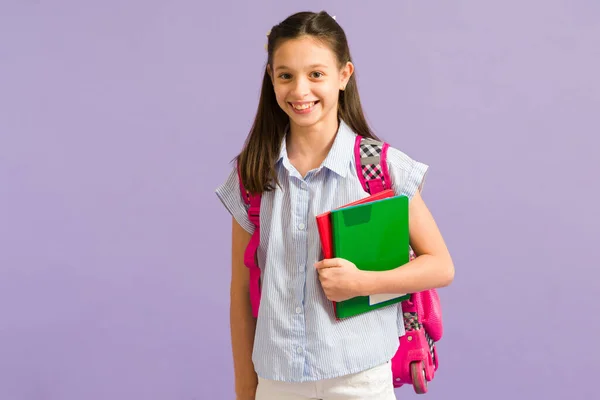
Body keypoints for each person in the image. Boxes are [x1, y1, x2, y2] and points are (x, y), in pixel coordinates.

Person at [215, 10, 454, 400]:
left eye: (316, 74)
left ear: (344, 75)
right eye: (285, 75)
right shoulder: (254, 173)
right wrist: (246, 388)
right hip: (278, 382)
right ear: (271, 79)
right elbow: (241, 292)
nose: (300, 90)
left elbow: (441, 266)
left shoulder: (379, 168)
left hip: (360, 379)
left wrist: (364, 283)